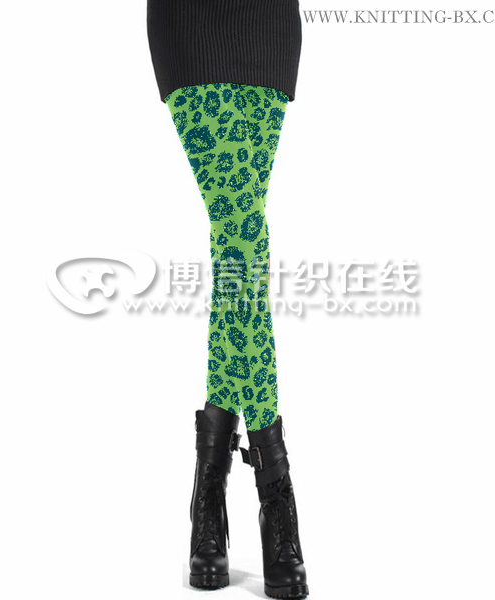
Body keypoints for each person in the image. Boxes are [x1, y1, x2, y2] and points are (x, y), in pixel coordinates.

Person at [146, 1, 308, 598]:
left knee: (238, 240)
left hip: (263, 26)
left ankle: (208, 494)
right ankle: (276, 492)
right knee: (241, 235)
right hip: (189, 25)